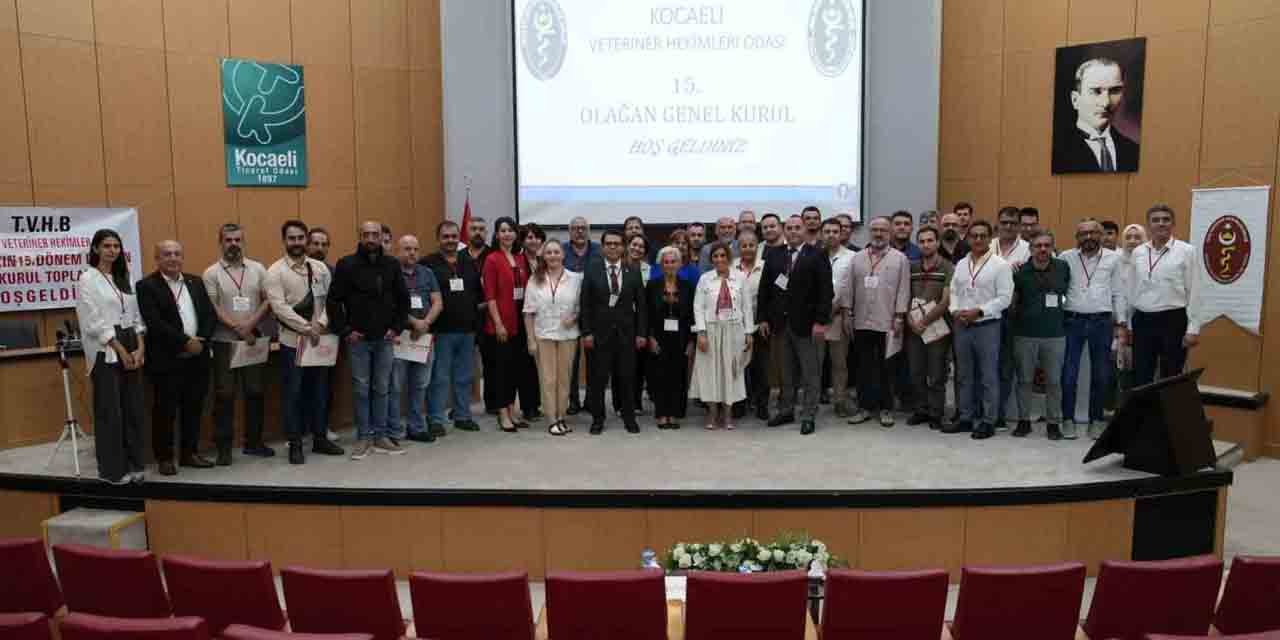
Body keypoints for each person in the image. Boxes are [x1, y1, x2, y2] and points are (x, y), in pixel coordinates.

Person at [329, 220, 410, 460]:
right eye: (367, 235)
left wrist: (396, 328)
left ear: (381, 236)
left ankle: (381, 436)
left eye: (375, 234)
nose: (371, 239)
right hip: (358, 341)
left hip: (385, 339)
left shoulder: (392, 265)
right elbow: (333, 301)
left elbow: (403, 300)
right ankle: (364, 437)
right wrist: (345, 331)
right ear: (360, 237)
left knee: (382, 388)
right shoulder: (347, 264)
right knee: (362, 390)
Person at [267, 220, 345, 464]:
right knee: (294, 394)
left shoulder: (320, 268)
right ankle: (296, 444)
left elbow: (329, 301)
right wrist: (306, 328)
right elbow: (279, 309)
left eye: (301, 238)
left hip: (318, 341)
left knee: (320, 391)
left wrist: (320, 324)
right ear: (284, 241)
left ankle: (320, 438)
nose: (297, 243)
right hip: (292, 344)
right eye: (292, 238)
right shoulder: (275, 272)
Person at [136, 240, 215, 475]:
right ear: (157, 258)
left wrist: (200, 340)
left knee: (194, 407)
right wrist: (184, 342)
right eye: (166, 254)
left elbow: (209, 315)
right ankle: (165, 458)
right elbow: (154, 322)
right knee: (165, 411)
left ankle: (189, 453)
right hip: (166, 359)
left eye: (177, 254)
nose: (173, 258)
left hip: (197, 357)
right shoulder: (146, 286)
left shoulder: (196, 282)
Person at [77, 229, 147, 485]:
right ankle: (112, 470)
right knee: (111, 410)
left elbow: (136, 315)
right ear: (96, 249)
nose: (112, 250)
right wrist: (119, 348)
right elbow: (92, 319)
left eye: (116, 246)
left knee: (133, 408)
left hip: (130, 340)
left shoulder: (123, 277)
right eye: (106, 246)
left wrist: (139, 346)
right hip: (106, 346)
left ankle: (135, 462)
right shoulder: (88, 278)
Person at [202, 223, 274, 460]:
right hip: (224, 341)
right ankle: (224, 449)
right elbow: (212, 307)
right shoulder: (211, 273)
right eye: (228, 240)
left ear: (243, 241)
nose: (233, 244)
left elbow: (268, 299)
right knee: (224, 395)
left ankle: (254, 443)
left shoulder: (258, 269)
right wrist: (237, 327)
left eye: (237, 240)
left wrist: (250, 325)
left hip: (254, 339)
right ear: (220, 242)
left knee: (255, 392)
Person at [758, 215, 833, 435]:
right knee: (786, 373)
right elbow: (765, 290)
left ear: (804, 230)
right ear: (784, 230)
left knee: (810, 373)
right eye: (788, 228)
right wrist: (762, 317)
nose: (792, 232)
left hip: (808, 325)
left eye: (797, 228)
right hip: (780, 325)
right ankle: (786, 410)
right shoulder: (774, 254)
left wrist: (821, 322)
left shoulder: (817, 254)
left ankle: (809, 414)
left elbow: (826, 291)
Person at [943, 221, 1013, 440]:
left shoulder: (1000, 265)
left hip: (987, 325)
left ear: (990, 238)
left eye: (983, 235)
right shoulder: (962, 264)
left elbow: (1005, 298)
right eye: (974, 236)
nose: (978, 239)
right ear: (969, 238)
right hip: (962, 324)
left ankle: (988, 420)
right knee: (963, 375)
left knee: (988, 376)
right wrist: (955, 310)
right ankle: (965, 417)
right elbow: (954, 290)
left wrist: (980, 311)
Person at [1060, 219, 1128, 439]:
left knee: (1101, 374)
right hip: (1072, 321)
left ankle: (1096, 420)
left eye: (1093, 233)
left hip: (1102, 322)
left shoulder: (1114, 259)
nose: (1088, 237)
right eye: (1083, 234)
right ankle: (1067, 419)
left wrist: (1121, 324)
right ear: (1076, 237)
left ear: (1101, 235)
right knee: (1069, 373)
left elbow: (1118, 292)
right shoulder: (1066, 258)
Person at [580, 229, 648, 433]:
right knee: (598, 380)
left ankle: (629, 418)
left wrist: (642, 334)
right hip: (599, 335)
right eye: (608, 243)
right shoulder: (592, 269)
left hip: (627, 335)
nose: (612, 247)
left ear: (623, 247)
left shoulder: (633, 270)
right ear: (602, 247)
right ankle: (598, 419)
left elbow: (642, 306)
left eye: (617, 244)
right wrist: (587, 332)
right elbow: (585, 304)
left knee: (627, 378)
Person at [846, 217, 911, 428]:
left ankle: (885, 409)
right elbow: (849, 288)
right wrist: (848, 312)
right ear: (869, 232)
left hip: (888, 321)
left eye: (883, 230)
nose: (879, 234)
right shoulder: (857, 258)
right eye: (875, 230)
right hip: (862, 321)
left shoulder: (900, 259)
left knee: (886, 368)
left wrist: (900, 315)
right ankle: (865, 408)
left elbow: (904, 289)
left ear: (890, 232)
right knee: (863, 367)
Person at [1127, 204, 1199, 386]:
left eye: (1166, 220)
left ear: (1173, 223)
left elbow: (1195, 291)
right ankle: (1144, 415)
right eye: (1156, 220)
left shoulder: (1186, 251)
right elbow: (1131, 290)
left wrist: (1193, 329)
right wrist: (1129, 324)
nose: (1161, 224)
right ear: (1149, 225)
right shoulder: (1138, 252)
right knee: (1141, 376)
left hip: (1173, 320)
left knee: (1171, 376)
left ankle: (1168, 415)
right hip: (1143, 320)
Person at [422, 221, 483, 435]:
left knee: (464, 376)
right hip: (441, 331)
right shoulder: (428, 263)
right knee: (439, 378)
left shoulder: (469, 262)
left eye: (454, 236)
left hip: (467, 330)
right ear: (438, 238)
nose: (450, 240)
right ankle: (436, 419)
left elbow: (477, 294)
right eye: (446, 236)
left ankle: (462, 415)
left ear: (459, 237)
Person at [1010, 232, 1071, 439]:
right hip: (1024, 334)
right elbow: (1013, 302)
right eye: (1038, 246)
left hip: (1055, 334)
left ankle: (1053, 423)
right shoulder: (1020, 271)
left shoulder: (1063, 267)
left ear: (1053, 247)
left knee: (1054, 381)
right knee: (1024, 380)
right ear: (1031, 248)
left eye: (1047, 245)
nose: (1043, 249)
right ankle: (1024, 421)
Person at [690, 242, 754, 430]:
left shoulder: (740, 278)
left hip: (734, 330)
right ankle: (712, 412)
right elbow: (698, 307)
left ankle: (727, 413)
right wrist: (701, 333)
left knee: (731, 371)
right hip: (710, 330)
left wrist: (749, 332)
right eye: (715, 256)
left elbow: (747, 307)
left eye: (722, 256)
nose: (719, 259)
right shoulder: (705, 279)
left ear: (729, 257)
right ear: (711, 260)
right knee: (710, 371)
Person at [386, 235, 443, 443]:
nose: (412, 253)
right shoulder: (391, 272)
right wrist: (414, 323)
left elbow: (437, 302)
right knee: (396, 386)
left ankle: (416, 427)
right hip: (401, 336)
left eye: (415, 249)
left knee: (420, 384)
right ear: (398, 251)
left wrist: (426, 322)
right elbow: (391, 304)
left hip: (424, 338)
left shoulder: (427, 273)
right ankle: (394, 430)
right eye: (407, 249)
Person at [523, 239, 582, 436]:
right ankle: (551, 418)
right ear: (543, 256)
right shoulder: (534, 279)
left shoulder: (575, 278)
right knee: (548, 379)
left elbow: (583, 307)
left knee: (564, 379)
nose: (553, 256)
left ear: (563, 255)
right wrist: (531, 339)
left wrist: (574, 317)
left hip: (568, 335)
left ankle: (561, 415)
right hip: (544, 335)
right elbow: (528, 312)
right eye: (549, 253)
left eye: (556, 252)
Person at [481, 217, 533, 432]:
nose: (507, 234)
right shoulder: (492, 259)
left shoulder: (521, 259)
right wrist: (498, 323)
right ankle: (503, 414)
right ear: (496, 235)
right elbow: (490, 296)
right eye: (502, 230)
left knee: (516, 370)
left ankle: (513, 411)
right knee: (501, 371)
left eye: (510, 230)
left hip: (521, 323)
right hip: (501, 325)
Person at [1053, 57, 1140, 173]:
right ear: (1075, 100)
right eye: (1096, 91)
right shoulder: (1056, 150)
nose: (1106, 102)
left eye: (1115, 91)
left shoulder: (1133, 150)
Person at [905, 226, 954, 431]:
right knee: (916, 372)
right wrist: (910, 321)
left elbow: (945, 301)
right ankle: (921, 409)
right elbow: (903, 297)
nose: (926, 244)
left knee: (936, 374)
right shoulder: (911, 267)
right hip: (914, 329)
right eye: (922, 241)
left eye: (930, 240)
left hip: (937, 328)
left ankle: (936, 413)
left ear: (937, 242)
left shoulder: (947, 267)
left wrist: (924, 321)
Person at [646, 245, 696, 429]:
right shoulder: (652, 285)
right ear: (661, 264)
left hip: (681, 337)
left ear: (680, 263)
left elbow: (693, 315)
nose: (669, 265)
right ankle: (661, 413)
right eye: (666, 262)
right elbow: (647, 314)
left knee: (678, 375)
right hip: (658, 337)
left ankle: (675, 413)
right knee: (659, 375)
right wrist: (650, 337)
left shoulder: (688, 287)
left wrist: (692, 340)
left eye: (673, 261)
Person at [994, 207, 1030, 430]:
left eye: (1012, 223)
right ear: (997, 223)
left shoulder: (1028, 249)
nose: (1008, 226)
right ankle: (985, 409)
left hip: (1014, 314)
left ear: (1019, 225)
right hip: (987, 313)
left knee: (1006, 367)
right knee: (988, 365)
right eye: (1004, 222)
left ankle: (999, 413)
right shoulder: (987, 246)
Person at [307, 226, 341, 443]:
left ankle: (323, 427)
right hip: (301, 334)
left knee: (325, 385)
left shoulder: (333, 271)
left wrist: (322, 324)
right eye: (315, 243)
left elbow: (337, 303)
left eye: (323, 244)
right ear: (307, 245)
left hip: (327, 335)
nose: (319, 248)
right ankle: (300, 432)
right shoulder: (296, 269)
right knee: (301, 386)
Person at [817, 219, 855, 417]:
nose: (831, 234)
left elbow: (852, 288)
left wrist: (839, 309)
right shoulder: (813, 255)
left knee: (839, 363)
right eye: (827, 231)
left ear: (841, 234)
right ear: (821, 234)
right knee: (815, 363)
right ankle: (812, 401)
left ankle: (839, 400)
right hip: (816, 319)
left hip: (839, 316)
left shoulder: (852, 257)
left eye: (835, 231)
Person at [563, 216, 598, 415]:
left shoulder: (598, 251)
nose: (579, 232)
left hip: (593, 311)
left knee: (594, 359)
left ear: (588, 230)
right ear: (569, 231)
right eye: (575, 228)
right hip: (569, 311)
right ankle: (573, 400)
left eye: (583, 228)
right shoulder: (562, 250)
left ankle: (591, 400)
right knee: (571, 360)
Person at [732, 231, 768, 420]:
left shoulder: (765, 267)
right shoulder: (731, 268)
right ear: (739, 247)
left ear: (757, 246)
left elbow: (770, 296)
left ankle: (762, 405)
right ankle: (739, 405)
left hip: (759, 325)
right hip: (736, 326)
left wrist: (764, 319)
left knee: (760, 367)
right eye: (744, 245)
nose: (747, 249)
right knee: (738, 367)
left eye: (751, 245)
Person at [619, 233, 655, 416]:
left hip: (641, 321)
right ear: (627, 245)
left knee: (639, 365)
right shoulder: (617, 266)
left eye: (641, 247)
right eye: (634, 244)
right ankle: (619, 403)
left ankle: (636, 402)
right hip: (620, 322)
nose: (637, 249)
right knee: (620, 364)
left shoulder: (649, 270)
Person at [516, 224, 545, 420]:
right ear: (523, 241)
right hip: (524, 319)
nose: (532, 241)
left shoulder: (546, 260)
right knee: (526, 366)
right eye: (528, 237)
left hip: (545, 319)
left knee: (541, 367)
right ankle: (529, 406)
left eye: (536, 237)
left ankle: (539, 403)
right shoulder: (517, 261)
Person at [1115, 223, 1147, 397]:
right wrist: (1122, 325)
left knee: (1143, 368)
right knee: (1120, 371)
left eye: (1137, 237)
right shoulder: (1115, 261)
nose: (1133, 241)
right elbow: (1117, 295)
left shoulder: (1149, 260)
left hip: (1144, 323)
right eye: (1128, 237)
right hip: (1119, 325)